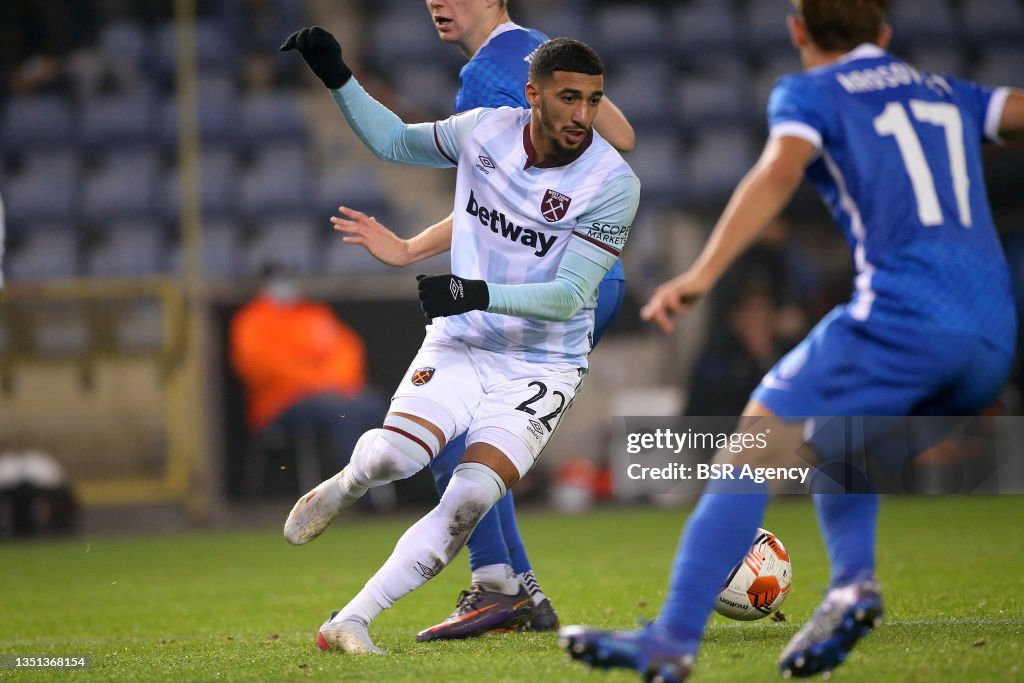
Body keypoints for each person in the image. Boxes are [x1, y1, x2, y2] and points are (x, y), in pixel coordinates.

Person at [560, 1, 1024, 681]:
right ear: (886, 34)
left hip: (903, 316)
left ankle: (671, 638)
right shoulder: (950, 92)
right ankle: (851, 587)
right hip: (993, 332)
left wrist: (701, 274)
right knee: (839, 442)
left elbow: (779, 172)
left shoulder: (810, 92)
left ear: (798, 30)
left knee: (754, 440)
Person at [280, 29, 640, 655]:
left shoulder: (613, 183)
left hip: (543, 363)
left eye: (594, 100)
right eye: (569, 99)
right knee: (393, 460)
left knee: (471, 498)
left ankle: (351, 620)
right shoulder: (484, 131)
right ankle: (347, 484)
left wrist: (474, 292)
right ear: (533, 95)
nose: (583, 116)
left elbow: (570, 297)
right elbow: (394, 140)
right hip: (464, 341)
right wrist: (336, 73)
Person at [229, 266, 386, 489]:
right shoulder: (253, 319)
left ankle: (381, 488)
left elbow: (346, 350)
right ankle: (351, 490)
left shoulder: (314, 314)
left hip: (333, 393)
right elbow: (260, 365)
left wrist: (332, 382)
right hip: (281, 402)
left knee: (372, 403)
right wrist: (317, 382)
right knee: (343, 412)